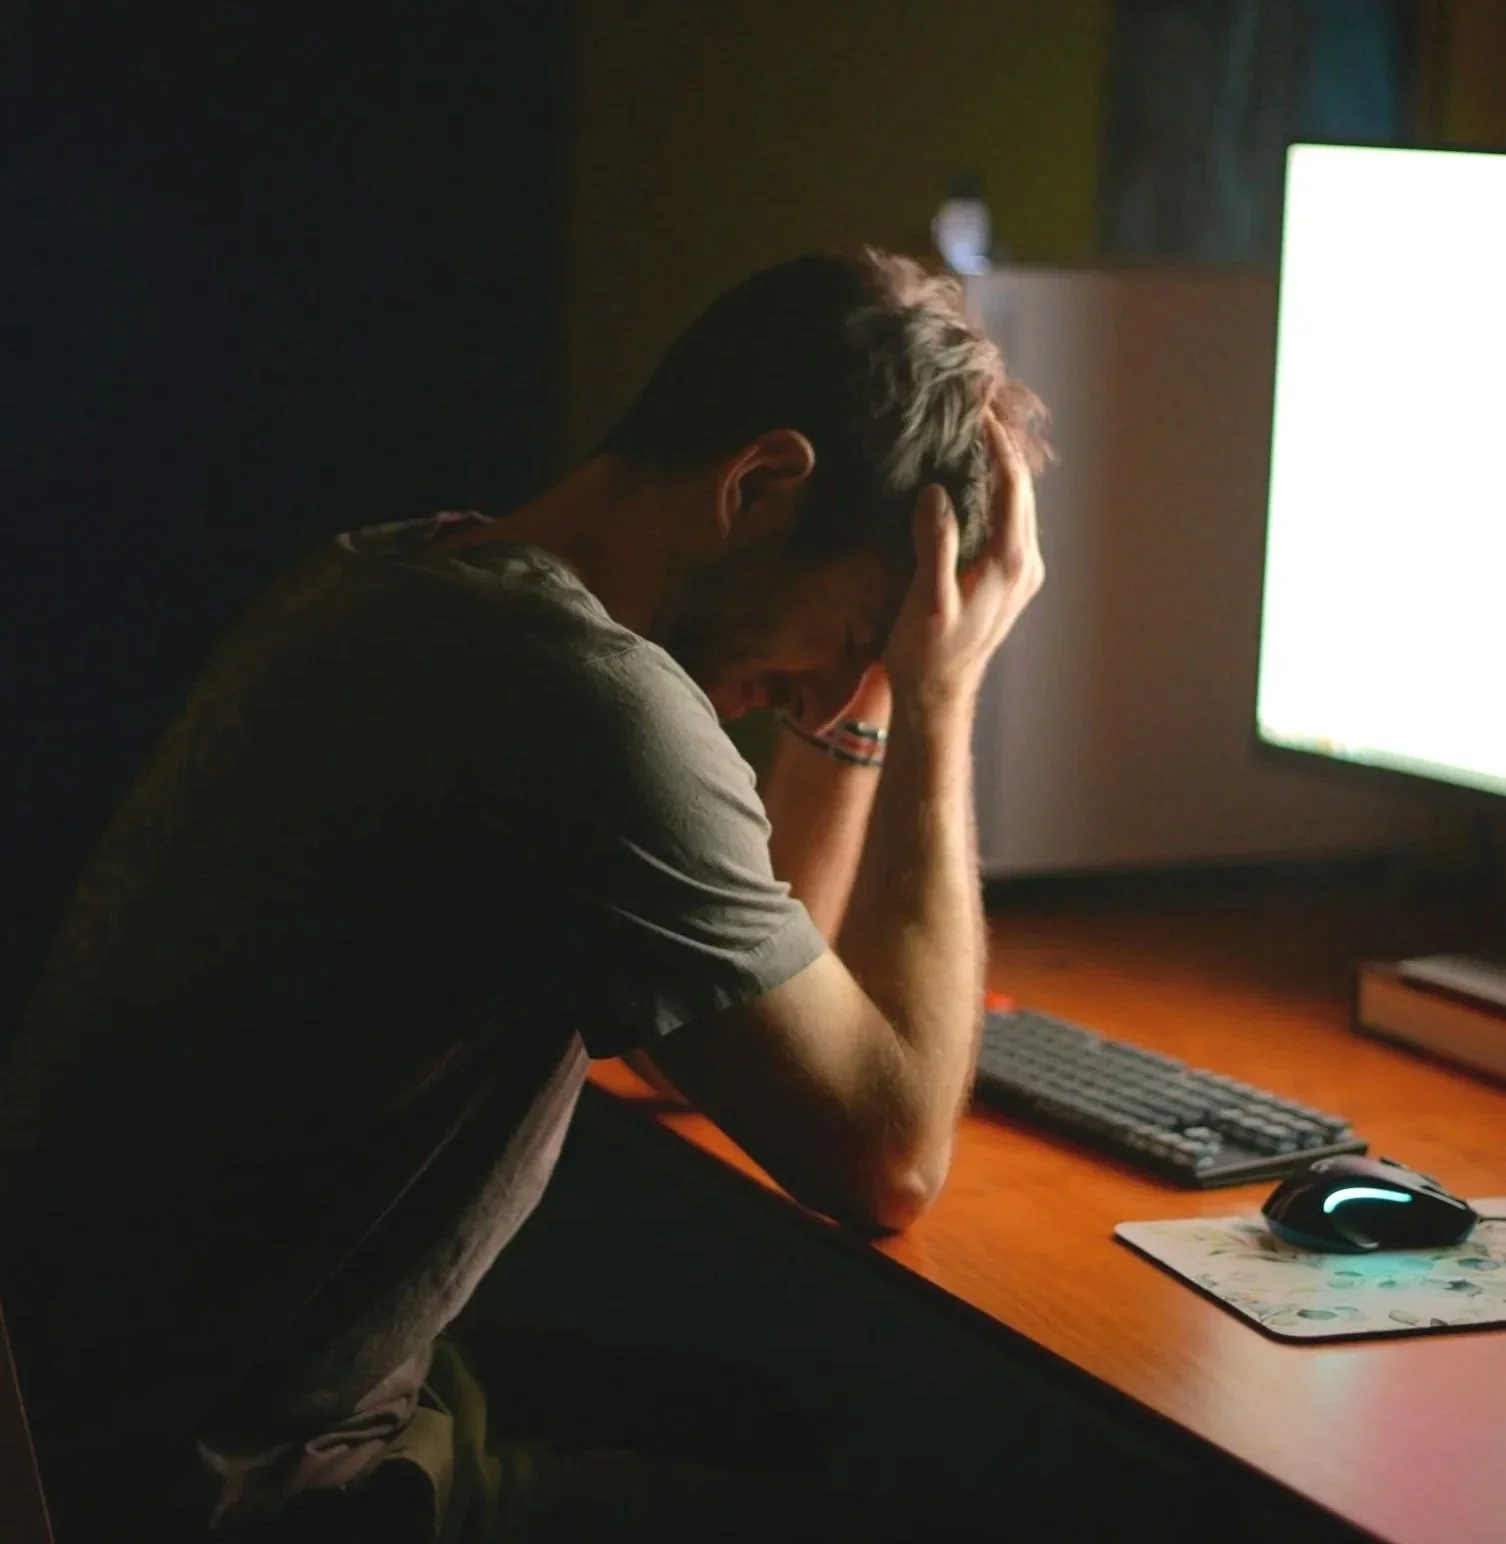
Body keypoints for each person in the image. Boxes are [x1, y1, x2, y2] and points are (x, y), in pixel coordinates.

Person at [0, 247, 1049, 1542]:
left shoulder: (395, 581)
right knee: (953, 1501)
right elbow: (885, 1156)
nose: (845, 691)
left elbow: (716, 1048)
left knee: (782, 1416)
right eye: (859, 638)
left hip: (140, 1411)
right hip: (242, 1487)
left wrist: (871, 691)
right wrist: (940, 708)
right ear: (762, 484)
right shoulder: (585, 704)